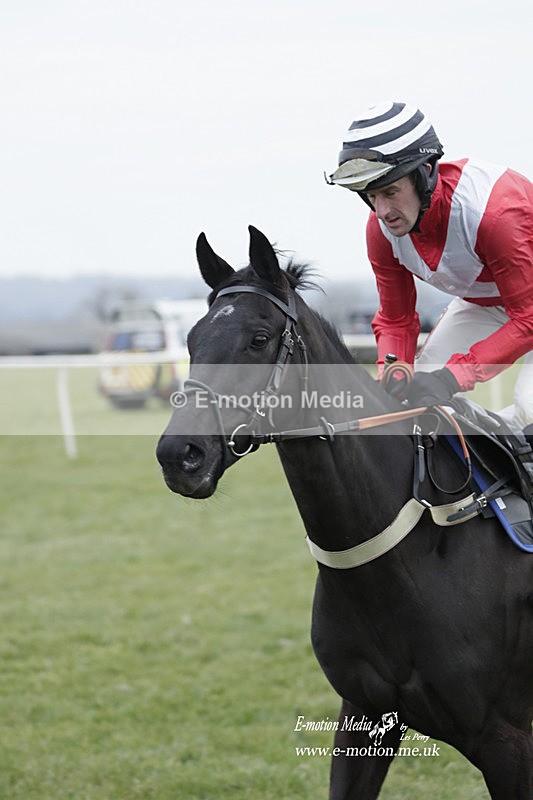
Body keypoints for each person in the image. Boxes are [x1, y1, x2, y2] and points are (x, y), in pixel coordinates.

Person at [326, 101, 533, 441]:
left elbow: (527, 320)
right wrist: (394, 368)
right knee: (418, 395)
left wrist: (456, 375)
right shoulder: (380, 231)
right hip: (489, 305)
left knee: (529, 406)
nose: (382, 211)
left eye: (391, 192)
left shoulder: (495, 215)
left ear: (425, 174)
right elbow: (396, 319)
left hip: (527, 311)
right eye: (371, 195)